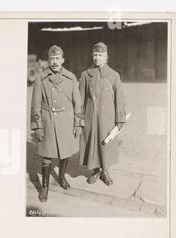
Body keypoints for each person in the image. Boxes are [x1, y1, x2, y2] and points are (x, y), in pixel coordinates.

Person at [31, 45, 84, 202]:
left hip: (66, 122)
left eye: (57, 59)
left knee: (65, 153)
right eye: (51, 59)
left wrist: (77, 123)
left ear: (63, 60)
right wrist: (37, 126)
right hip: (48, 121)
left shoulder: (71, 77)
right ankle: (45, 187)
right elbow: (35, 103)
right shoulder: (41, 78)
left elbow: (77, 102)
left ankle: (61, 177)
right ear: (48, 61)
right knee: (47, 157)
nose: (54, 62)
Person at [78, 42, 127, 186]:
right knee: (91, 144)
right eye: (94, 55)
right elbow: (80, 98)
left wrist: (120, 118)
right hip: (90, 116)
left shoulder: (114, 75)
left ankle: (104, 171)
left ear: (106, 57)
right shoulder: (86, 75)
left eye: (100, 55)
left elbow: (120, 98)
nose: (97, 58)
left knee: (104, 144)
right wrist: (78, 118)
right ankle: (95, 171)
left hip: (107, 118)